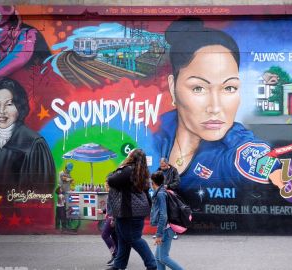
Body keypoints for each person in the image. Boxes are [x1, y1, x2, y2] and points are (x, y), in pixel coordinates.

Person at [155, 18, 283, 200]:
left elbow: (265, 166)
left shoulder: (236, 146)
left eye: (229, 88)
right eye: (198, 88)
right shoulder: (158, 132)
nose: (215, 107)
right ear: (173, 87)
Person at [0, 77, 55, 195]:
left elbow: (41, 192)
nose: (2, 111)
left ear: (19, 106)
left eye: (9, 104)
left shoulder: (34, 144)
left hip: (17, 212)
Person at [0, 6, 51, 106]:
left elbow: (19, 56)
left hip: (41, 96)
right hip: (13, 100)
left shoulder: (29, 34)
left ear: (12, 23)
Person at [107, 148, 156, 270]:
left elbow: (111, 180)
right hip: (134, 212)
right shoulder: (142, 172)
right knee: (124, 239)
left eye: (129, 153)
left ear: (132, 156)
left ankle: (152, 265)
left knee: (134, 239)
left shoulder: (128, 170)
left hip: (128, 211)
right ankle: (118, 266)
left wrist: (122, 165)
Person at [150, 171, 184, 270]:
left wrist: (159, 234)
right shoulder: (162, 192)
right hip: (166, 229)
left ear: (153, 182)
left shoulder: (160, 194)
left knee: (163, 258)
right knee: (157, 258)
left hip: (166, 230)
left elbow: (163, 215)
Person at [98, 179, 118, 266]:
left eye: (107, 185)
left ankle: (115, 255)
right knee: (115, 238)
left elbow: (115, 208)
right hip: (113, 217)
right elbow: (110, 208)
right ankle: (117, 258)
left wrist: (113, 219)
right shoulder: (113, 193)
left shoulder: (113, 194)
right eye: (105, 185)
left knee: (104, 235)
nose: (106, 187)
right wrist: (102, 211)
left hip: (112, 218)